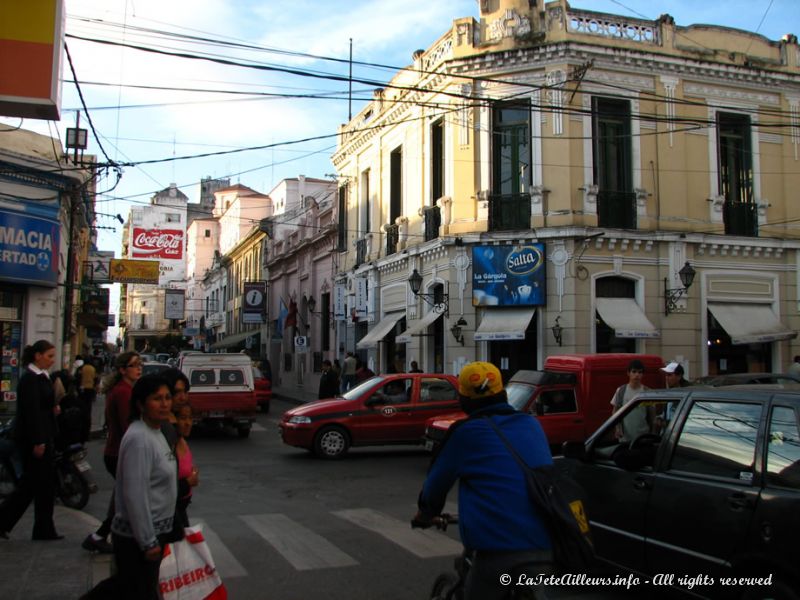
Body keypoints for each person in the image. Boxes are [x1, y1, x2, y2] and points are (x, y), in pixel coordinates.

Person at [414, 361, 553, 600]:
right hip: (546, 544)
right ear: (502, 393)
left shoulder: (466, 432)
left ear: (464, 400)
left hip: (497, 549)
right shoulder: (532, 424)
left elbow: (436, 484)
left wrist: (426, 513)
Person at [87, 374, 177, 600]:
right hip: (138, 539)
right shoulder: (140, 438)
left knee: (129, 587)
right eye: (157, 398)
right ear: (141, 404)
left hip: (153, 532)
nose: (165, 404)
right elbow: (135, 494)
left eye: (168, 397)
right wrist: (148, 541)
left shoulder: (156, 432)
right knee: (134, 590)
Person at [0, 340, 62, 541]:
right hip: (35, 440)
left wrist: (53, 409)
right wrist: (39, 441)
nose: (52, 360)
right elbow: (32, 412)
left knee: (42, 486)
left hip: (43, 436)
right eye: (49, 356)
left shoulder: (41, 378)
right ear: (38, 356)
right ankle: (7, 522)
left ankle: (43, 528)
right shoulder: (30, 379)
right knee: (31, 486)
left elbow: (42, 407)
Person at [82, 351, 142, 554]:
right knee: (127, 498)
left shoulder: (121, 389)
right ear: (123, 369)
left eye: (139, 364)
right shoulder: (124, 392)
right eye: (134, 365)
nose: (139, 368)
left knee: (122, 498)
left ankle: (99, 536)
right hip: (119, 453)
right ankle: (115, 537)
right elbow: (129, 426)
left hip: (115, 451)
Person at [163, 369, 198, 530]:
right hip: (168, 512)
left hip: (179, 508)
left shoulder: (175, 429)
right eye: (177, 392)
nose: (183, 397)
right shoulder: (165, 430)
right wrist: (186, 483)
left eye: (185, 391)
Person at [610, 359, 650, 442]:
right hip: (625, 437)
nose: (637, 375)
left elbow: (652, 414)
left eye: (640, 372)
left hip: (643, 436)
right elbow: (615, 411)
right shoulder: (621, 390)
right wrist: (617, 428)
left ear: (643, 374)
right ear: (628, 373)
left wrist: (653, 433)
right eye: (634, 372)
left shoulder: (647, 392)